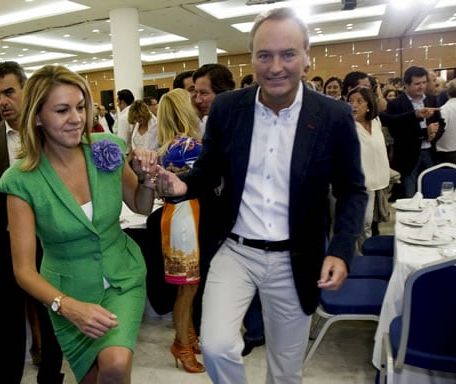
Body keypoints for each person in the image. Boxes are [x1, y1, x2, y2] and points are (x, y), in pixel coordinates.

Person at [150, 8, 367, 383]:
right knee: (217, 346)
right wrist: (181, 185)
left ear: (306, 55)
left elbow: (351, 189)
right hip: (236, 251)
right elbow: (208, 171)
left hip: (296, 257)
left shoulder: (332, 115)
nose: (276, 66)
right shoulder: (229, 108)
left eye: (288, 54)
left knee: (285, 371)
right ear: (252, 58)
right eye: (264, 55)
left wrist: (340, 249)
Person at [0, 64, 156, 383]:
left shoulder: (106, 148)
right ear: (37, 116)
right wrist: (66, 306)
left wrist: (148, 177)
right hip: (67, 294)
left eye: (80, 106)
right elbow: (24, 270)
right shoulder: (20, 181)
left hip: (123, 278)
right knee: (93, 377)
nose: (76, 118)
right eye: (62, 110)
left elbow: (141, 205)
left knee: (114, 364)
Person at [0, 61, 64, 384]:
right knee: (7, 323)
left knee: (51, 318)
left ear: (25, 89)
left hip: (50, 244)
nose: (2, 101)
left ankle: (50, 376)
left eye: (9, 92)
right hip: (3, 245)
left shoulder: (51, 130)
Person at [155, 88, 205, 373]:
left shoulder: (170, 146)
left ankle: (187, 336)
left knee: (188, 286)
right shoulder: (189, 145)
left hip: (179, 215)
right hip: (185, 216)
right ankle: (181, 344)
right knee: (187, 288)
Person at [381, 66, 443, 199]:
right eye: (417, 84)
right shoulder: (396, 104)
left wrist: (435, 134)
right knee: (409, 195)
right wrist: (425, 133)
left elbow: (441, 123)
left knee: (431, 192)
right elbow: (397, 132)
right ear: (407, 85)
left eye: (424, 82)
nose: (421, 87)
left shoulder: (431, 99)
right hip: (408, 156)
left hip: (430, 153)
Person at [347, 87, 390, 245]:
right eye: (350, 101)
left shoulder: (376, 122)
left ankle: (366, 255)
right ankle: (358, 260)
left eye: (359, 101)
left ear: (369, 105)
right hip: (358, 184)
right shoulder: (348, 126)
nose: (354, 105)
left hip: (376, 180)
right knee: (360, 224)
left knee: (369, 222)